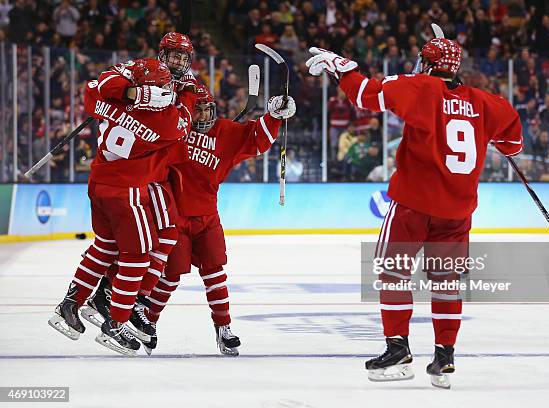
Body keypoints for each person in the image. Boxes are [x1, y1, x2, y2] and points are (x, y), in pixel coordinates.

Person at [306, 26, 523, 388]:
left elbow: (365, 94)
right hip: (457, 211)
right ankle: (445, 357)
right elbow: (513, 144)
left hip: (413, 205)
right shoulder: (486, 102)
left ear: (428, 63)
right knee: (446, 281)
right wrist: (497, 139)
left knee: (392, 272)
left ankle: (398, 349)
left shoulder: (420, 87)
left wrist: (341, 68)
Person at [48, 58, 195, 357]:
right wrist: (187, 89)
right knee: (139, 254)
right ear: (152, 92)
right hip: (126, 191)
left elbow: (98, 83)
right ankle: (116, 322)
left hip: (99, 181)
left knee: (104, 247)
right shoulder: (164, 121)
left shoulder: (104, 98)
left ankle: (69, 305)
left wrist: (130, 92)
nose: (168, 91)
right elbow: (185, 121)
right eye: (163, 88)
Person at [142, 86, 296, 356]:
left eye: (206, 109)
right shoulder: (174, 130)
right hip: (173, 218)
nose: (202, 114)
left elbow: (256, 138)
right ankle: (147, 324)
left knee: (214, 273)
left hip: (207, 217)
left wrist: (274, 115)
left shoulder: (225, 132)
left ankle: (223, 329)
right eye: (197, 109)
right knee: (170, 276)